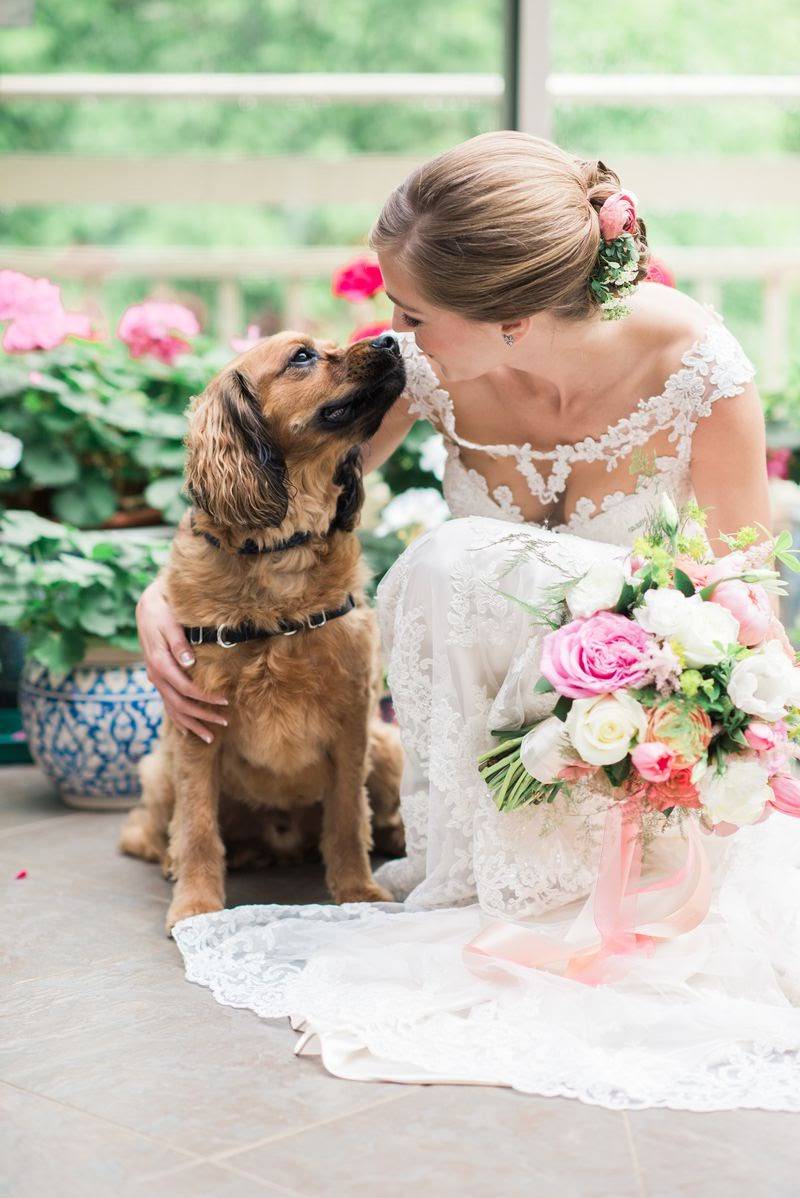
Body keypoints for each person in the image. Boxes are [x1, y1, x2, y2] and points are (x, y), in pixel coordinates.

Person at [142, 132, 800, 1110]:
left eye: (410, 313)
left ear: (511, 319)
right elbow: (281, 485)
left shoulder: (694, 367)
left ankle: (608, 880)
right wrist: (165, 592)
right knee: (449, 564)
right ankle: (475, 869)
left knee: (457, 556)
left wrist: (755, 740)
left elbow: (743, 599)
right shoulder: (426, 360)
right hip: (488, 755)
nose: (386, 337)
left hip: (635, 753)